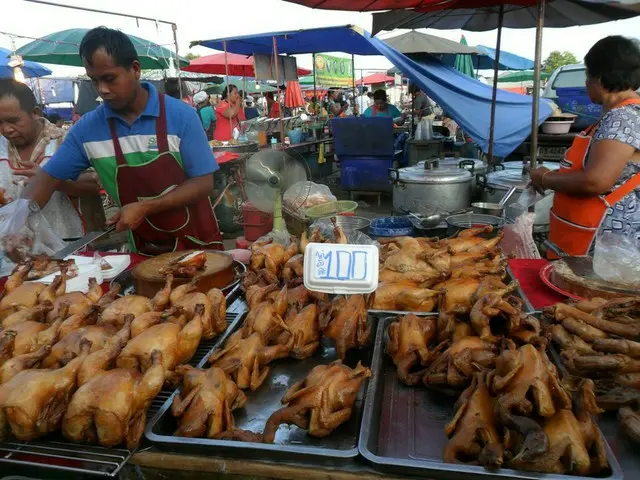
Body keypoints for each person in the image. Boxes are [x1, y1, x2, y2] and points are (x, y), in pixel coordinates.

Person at [20, 27, 223, 254]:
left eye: (109, 78)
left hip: (200, 245)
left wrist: (146, 207)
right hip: (146, 250)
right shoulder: (86, 129)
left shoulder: (180, 116)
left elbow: (204, 183)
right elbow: (47, 178)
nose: (102, 90)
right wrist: (18, 219)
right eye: (94, 81)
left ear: (135, 69)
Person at [530, 35, 640, 257]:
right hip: (585, 233)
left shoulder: (623, 117)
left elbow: (596, 180)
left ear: (599, 77)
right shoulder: (615, 115)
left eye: (587, 75)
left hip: (605, 246)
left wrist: (545, 178)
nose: (585, 83)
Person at [0, 78, 103, 240]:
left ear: (35, 113)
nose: (6, 129)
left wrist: (50, 180)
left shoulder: (66, 141)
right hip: (12, 247)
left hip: (68, 243)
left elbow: (94, 184)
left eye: (13, 121)